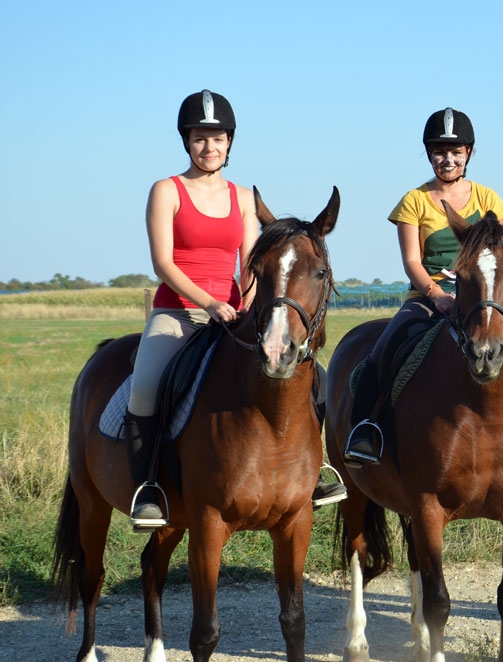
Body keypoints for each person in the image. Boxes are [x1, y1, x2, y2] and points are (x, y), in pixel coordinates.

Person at [125, 89, 346, 531]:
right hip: (179, 313)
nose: (210, 147)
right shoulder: (167, 190)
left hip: (234, 313)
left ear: (230, 142)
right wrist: (209, 303)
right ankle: (149, 488)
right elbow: (162, 263)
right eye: (200, 138)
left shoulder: (243, 197)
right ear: (186, 141)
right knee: (146, 388)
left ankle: (313, 473)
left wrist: (247, 308)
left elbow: (253, 263)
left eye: (218, 138)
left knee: (310, 377)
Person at [342, 107, 503, 467]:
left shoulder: (488, 199)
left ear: (468, 153)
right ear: (429, 154)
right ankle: (366, 429)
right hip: (428, 296)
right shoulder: (414, 201)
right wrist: (437, 295)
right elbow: (411, 261)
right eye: (440, 151)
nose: (448, 159)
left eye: (456, 152)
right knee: (383, 349)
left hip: (483, 298)